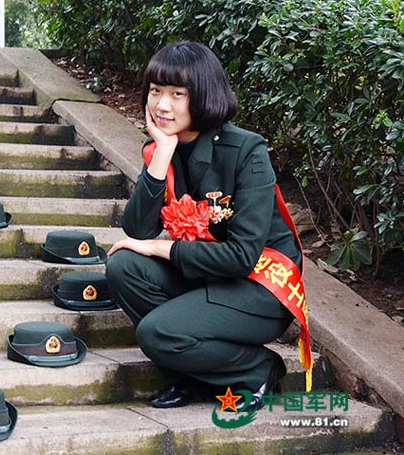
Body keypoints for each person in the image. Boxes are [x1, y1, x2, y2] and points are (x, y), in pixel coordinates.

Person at [105, 41, 311, 411]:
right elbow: (137, 230)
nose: (162, 105)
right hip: (208, 275)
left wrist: (161, 248)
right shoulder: (162, 148)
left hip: (258, 287)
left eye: (177, 94)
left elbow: (241, 257)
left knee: (157, 332)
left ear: (201, 95)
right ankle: (194, 374)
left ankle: (258, 369)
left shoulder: (246, 150)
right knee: (123, 267)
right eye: (155, 91)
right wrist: (162, 154)